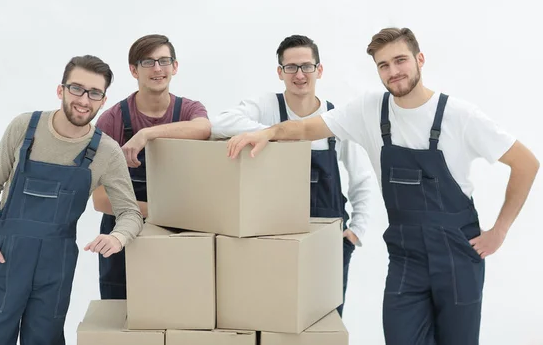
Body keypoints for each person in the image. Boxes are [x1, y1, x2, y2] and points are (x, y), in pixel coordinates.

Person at [226, 27, 539, 344]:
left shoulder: (458, 116)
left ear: (420, 59)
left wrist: (499, 231)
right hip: (407, 259)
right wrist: (267, 133)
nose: (393, 71)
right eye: (383, 65)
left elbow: (526, 163)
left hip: (457, 256)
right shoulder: (370, 111)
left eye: (400, 60)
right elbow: (308, 127)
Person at [0, 55, 144, 345]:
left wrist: (118, 238)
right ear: (61, 90)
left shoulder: (106, 152)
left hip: (54, 265)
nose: (84, 100)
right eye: (77, 88)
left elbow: (130, 213)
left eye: (94, 93)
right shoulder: (25, 127)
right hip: (4, 258)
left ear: (103, 100)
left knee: (44, 341)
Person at [210, 34, 376, 315]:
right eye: (291, 67)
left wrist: (355, 233)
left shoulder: (336, 118)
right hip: (274, 239)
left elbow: (362, 179)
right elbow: (219, 123)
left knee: (325, 323)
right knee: (274, 317)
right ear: (280, 72)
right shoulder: (268, 106)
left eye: (307, 66)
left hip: (328, 242)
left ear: (319, 70)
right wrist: (272, 133)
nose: (299, 75)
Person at [93, 34, 211, 300]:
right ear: (134, 70)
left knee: (177, 308)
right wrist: (163, 212)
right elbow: (100, 199)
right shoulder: (111, 120)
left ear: (175, 66)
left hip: (177, 234)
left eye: (164, 61)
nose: (157, 69)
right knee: (122, 315)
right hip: (121, 235)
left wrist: (147, 134)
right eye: (148, 62)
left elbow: (204, 129)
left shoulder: (189, 110)